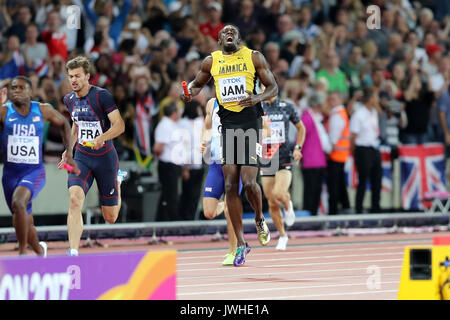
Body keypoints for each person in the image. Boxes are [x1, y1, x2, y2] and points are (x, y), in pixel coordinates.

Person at [181, 25, 278, 266]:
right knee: (229, 184)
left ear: (239, 37)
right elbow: (196, 84)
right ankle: (242, 244)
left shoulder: (253, 56)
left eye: (233, 31)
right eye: (225, 32)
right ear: (219, 39)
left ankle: (258, 218)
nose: (229, 33)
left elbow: (273, 87)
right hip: (227, 126)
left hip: (251, 123)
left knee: (249, 182)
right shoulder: (211, 61)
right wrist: (189, 93)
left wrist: (256, 98)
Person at [1, 76, 79, 256]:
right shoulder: (4, 112)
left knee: (19, 202)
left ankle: (22, 254)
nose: (17, 91)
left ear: (31, 91)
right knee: (24, 219)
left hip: (34, 172)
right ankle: (39, 251)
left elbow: (65, 124)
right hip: (10, 175)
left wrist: (69, 152)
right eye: (13, 88)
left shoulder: (42, 110)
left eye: (21, 88)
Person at [58, 56, 127, 256]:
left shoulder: (101, 96)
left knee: (111, 216)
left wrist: (102, 138)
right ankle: (73, 251)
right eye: (70, 76)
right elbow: (75, 126)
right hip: (82, 158)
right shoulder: (69, 100)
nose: (73, 80)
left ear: (88, 76)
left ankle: (118, 181)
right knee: (74, 198)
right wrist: (68, 150)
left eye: (78, 76)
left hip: (105, 159)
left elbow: (120, 125)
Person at [259, 95, 305, 251]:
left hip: (284, 156)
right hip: (266, 159)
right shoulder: (257, 108)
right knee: (271, 201)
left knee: (279, 193)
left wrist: (298, 148)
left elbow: (301, 128)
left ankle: (287, 204)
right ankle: (283, 235)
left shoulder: (287, 106)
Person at [201, 97, 239, 265]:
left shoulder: (241, 99)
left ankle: (233, 251)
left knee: (230, 213)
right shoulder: (211, 103)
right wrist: (204, 140)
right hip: (216, 164)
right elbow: (207, 126)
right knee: (208, 212)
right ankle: (225, 205)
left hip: (235, 163)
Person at [350, 86, 382, 214]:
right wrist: (354, 152)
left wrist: (376, 105)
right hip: (362, 149)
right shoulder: (359, 114)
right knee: (363, 180)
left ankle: (375, 207)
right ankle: (359, 208)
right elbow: (353, 136)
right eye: (375, 97)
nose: (377, 99)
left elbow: (380, 113)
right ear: (370, 99)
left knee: (377, 179)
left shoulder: (373, 112)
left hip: (374, 147)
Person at [326, 91, 351, 215]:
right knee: (340, 184)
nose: (331, 102)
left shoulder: (337, 115)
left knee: (334, 186)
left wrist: (327, 150)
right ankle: (345, 206)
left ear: (340, 101)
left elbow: (333, 139)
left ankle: (333, 211)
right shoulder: (341, 113)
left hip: (335, 155)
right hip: (341, 155)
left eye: (334, 99)